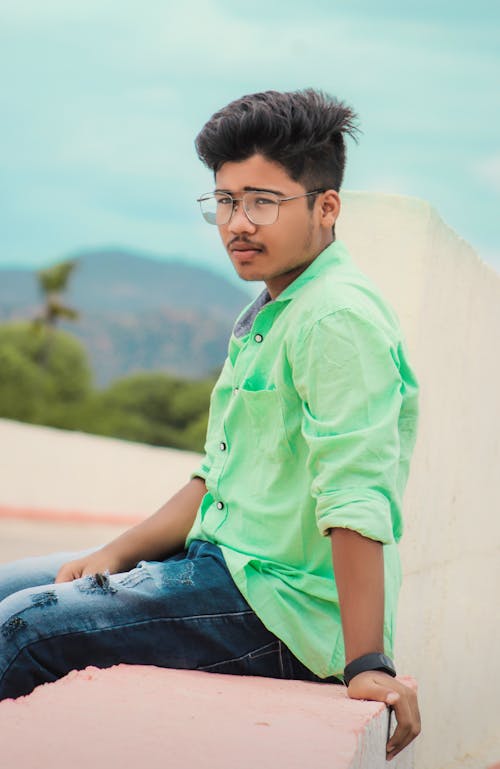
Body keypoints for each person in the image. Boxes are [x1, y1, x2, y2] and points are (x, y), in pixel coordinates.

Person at [0, 89, 420, 759]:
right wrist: (118, 551)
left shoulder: (336, 318)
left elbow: (356, 493)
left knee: (24, 629)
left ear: (326, 206)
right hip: (219, 566)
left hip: (277, 610)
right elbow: (216, 475)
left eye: (262, 201)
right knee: (14, 583)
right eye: (225, 201)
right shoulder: (272, 309)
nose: (236, 223)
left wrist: (366, 658)